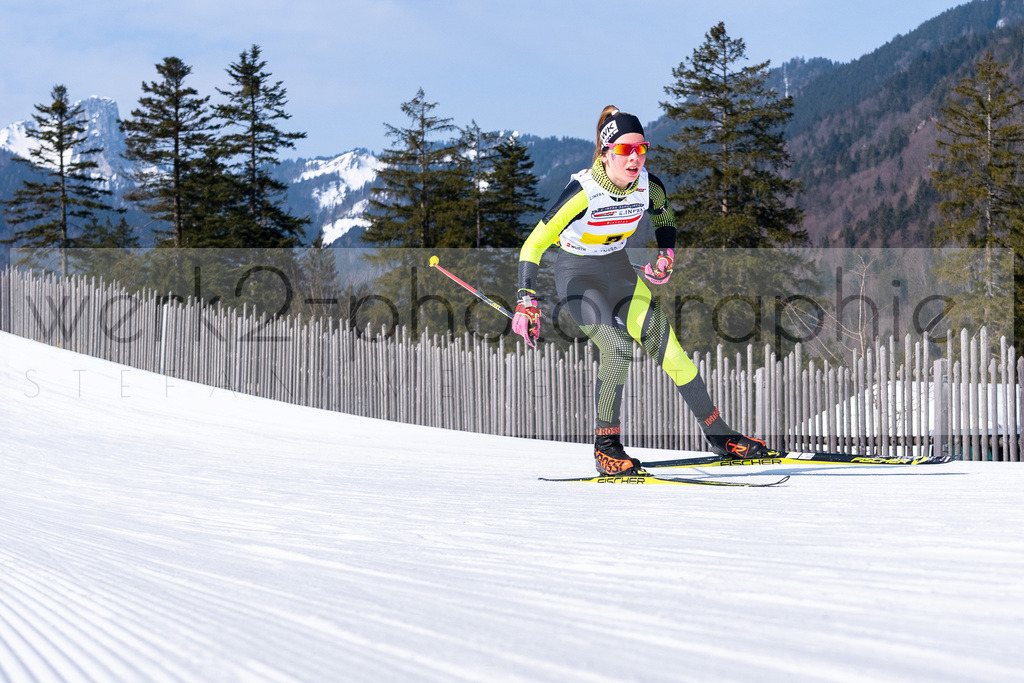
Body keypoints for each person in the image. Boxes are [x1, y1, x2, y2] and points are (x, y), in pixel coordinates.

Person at [512, 105, 768, 475]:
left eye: (641, 148)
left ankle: (719, 435)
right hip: (578, 276)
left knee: (670, 349)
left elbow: (664, 217)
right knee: (617, 350)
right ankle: (606, 447)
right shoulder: (582, 192)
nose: (635, 158)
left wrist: (666, 255)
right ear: (605, 153)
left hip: (618, 271)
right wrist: (526, 301)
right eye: (624, 150)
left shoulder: (649, 184)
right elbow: (533, 245)